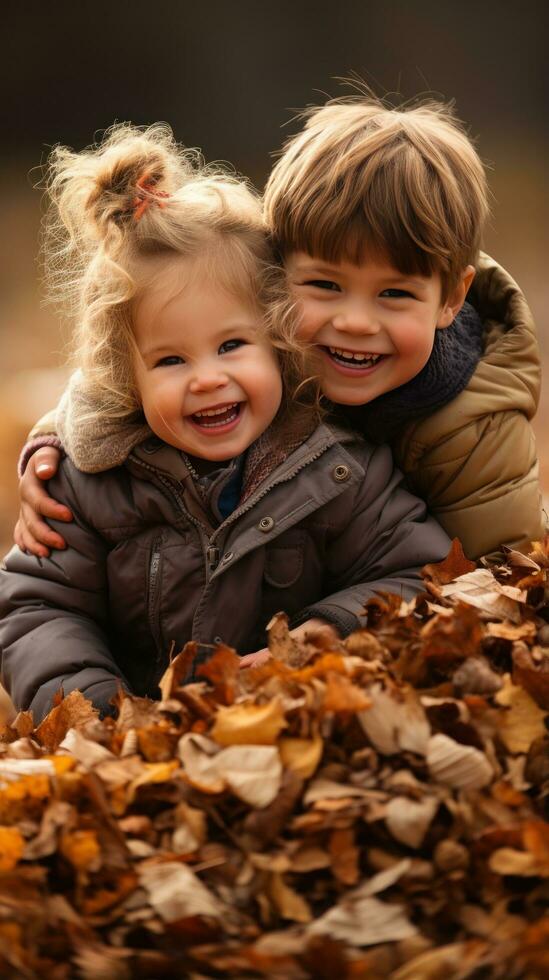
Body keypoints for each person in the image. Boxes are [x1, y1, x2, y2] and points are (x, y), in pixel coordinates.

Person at [0, 124, 450, 723]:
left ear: (280, 341)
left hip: (293, 727)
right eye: (170, 360)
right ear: (125, 377)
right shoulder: (88, 483)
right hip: (140, 738)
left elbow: (415, 572)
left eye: (232, 345)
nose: (206, 378)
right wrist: (102, 714)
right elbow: (37, 610)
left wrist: (319, 639)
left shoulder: (335, 467)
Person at [15, 94, 544, 560]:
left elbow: (501, 576)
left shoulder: (471, 428)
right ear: (272, 276)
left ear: (450, 299)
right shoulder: (264, 351)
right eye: (325, 285)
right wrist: (52, 450)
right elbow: (141, 366)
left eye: (396, 294)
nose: (355, 322)